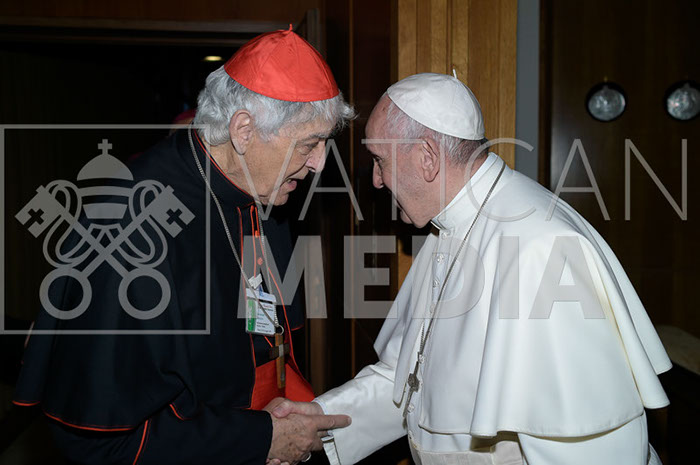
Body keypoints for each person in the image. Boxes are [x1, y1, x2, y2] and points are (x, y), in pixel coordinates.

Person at [271, 73, 672, 465]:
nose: (376, 180)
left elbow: (584, 446)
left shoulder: (540, 247)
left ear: (427, 158)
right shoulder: (449, 226)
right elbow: (409, 380)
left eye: (380, 160)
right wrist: (316, 419)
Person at [13, 28, 353, 465]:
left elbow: (256, 331)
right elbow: (100, 440)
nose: (320, 164)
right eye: (309, 144)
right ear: (244, 130)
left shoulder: (259, 187)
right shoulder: (130, 229)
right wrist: (259, 438)